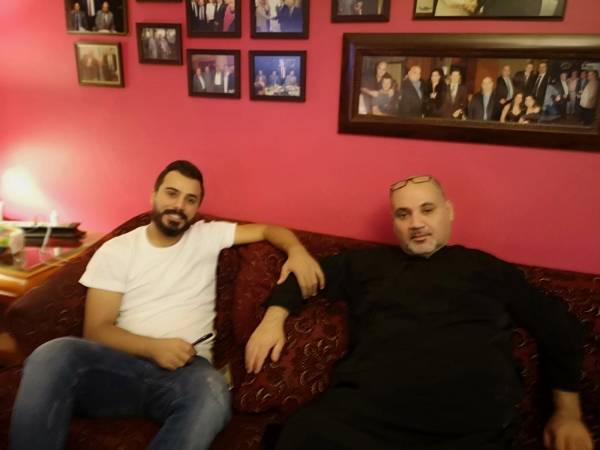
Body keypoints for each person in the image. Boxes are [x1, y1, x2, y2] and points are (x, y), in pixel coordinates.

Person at [247, 175, 593, 450]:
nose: (416, 223)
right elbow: (304, 275)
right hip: (363, 418)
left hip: (465, 427)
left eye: (427, 210)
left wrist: (567, 414)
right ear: (394, 222)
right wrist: (273, 319)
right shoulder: (366, 264)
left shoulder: (486, 268)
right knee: (301, 433)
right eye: (404, 214)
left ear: (448, 211)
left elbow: (559, 326)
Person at [9, 160, 324, 450]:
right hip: (119, 370)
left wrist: (297, 252)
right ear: (154, 195)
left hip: (185, 375)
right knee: (53, 353)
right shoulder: (118, 250)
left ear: (197, 207)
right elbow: (97, 329)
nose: (179, 205)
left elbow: (269, 230)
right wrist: (153, 347)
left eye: (190, 199)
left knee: (213, 392)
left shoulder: (207, 235)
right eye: (172, 193)